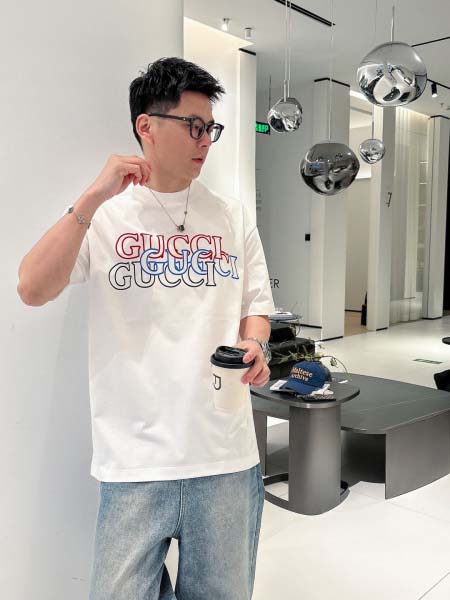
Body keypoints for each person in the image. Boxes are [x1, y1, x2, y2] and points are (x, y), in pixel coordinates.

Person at [17, 57, 275, 600]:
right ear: (146, 125)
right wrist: (92, 196)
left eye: (211, 128)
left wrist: (254, 343)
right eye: (194, 125)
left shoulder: (232, 216)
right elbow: (32, 288)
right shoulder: (106, 215)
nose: (205, 141)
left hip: (225, 455)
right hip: (135, 462)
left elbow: (256, 304)